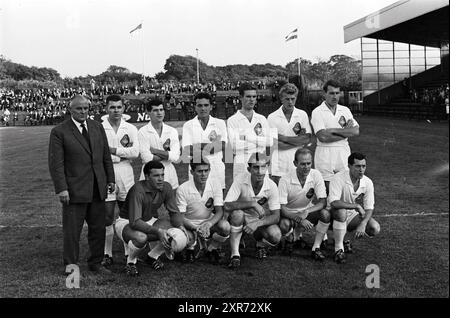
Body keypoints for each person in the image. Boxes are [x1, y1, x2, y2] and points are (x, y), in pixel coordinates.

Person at [48, 95, 115, 275]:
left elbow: (105, 156)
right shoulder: (59, 131)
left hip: (97, 188)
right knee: (72, 232)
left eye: (86, 108)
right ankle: (71, 265)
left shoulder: (97, 127)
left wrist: (110, 179)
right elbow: (56, 164)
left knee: (98, 229)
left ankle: (96, 262)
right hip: (74, 190)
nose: (83, 112)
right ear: (70, 110)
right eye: (79, 108)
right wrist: (62, 188)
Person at [114, 161, 187, 276]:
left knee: (177, 232)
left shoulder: (166, 187)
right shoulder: (137, 190)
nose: (160, 179)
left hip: (148, 219)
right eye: (156, 176)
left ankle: (152, 256)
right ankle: (131, 262)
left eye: (162, 175)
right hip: (126, 222)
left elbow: (174, 212)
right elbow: (135, 222)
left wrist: (180, 226)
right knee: (141, 238)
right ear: (147, 177)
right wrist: (158, 231)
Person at [224, 152, 281, 269]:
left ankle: (259, 243)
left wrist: (257, 223)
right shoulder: (240, 179)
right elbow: (227, 205)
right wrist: (252, 203)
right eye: (256, 167)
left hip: (259, 219)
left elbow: (276, 216)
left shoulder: (272, 185)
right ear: (249, 169)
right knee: (237, 214)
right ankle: (235, 254)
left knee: (276, 236)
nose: (260, 171)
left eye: (263, 167)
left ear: (267, 168)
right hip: (242, 216)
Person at [100, 94, 139, 267]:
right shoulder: (99, 128)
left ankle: (127, 250)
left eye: (119, 107)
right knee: (107, 216)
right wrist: (122, 151)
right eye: (112, 107)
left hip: (126, 171)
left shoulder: (130, 128)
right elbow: (99, 153)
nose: (116, 110)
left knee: (126, 214)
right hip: (106, 172)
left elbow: (135, 153)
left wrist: (112, 150)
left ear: (124, 108)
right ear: (106, 108)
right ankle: (107, 252)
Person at [328, 152, 381, 264]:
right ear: (349, 166)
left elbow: (369, 208)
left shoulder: (368, 182)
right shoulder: (338, 178)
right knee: (342, 212)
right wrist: (356, 205)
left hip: (351, 214)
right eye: (357, 166)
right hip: (331, 213)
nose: (361, 169)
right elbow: (334, 203)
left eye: (363, 166)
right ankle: (338, 249)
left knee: (374, 228)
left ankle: (344, 239)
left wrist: (363, 224)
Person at [278, 148, 330, 260]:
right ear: (295, 163)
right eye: (302, 164)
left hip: (306, 211)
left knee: (325, 214)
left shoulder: (316, 174)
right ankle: (289, 239)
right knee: (284, 225)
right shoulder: (285, 179)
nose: (306, 167)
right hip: (288, 213)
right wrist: (300, 219)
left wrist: (306, 212)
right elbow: (281, 208)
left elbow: (323, 202)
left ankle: (316, 248)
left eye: (308, 163)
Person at [176, 159, 230, 264]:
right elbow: (180, 217)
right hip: (189, 223)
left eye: (206, 171)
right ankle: (191, 246)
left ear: (210, 170)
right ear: (192, 172)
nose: (203, 174)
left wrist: (209, 224)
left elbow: (219, 211)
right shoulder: (182, 189)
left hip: (208, 221)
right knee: (179, 243)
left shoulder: (215, 184)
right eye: (199, 171)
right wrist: (196, 228)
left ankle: (211, 248)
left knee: (225, 227)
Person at [311, 80, 360, 191]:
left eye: (337, 93)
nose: (335, 96)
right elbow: (322, 137)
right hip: (325, 155)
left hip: (343, 153)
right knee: (327, 192)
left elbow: (356, 131)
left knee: (345, 190)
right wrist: (345, 132)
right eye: (331, 93)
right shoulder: (317, 112)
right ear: (324, 94)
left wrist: (331, 130)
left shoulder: (345, 110)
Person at [181, 92, 228, 190]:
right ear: (195, 107)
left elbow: (223, 145)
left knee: (218, 202)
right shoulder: (188, 125)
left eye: (206, 105)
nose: (203, 108)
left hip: (216, 167)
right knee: (196, 202)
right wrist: (212, 146)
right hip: (196, 168)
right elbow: (187, 149)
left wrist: (197, 146)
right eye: (200, 105)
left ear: (211, 106)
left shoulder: (220, 123)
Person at [267, 83, 312, 185]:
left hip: (298, 163)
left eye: (293, 98)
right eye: (287, 99)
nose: (290, 102)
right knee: (279, 198)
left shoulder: (302, 115)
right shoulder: (272, 117)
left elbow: (306, 139)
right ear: (281, 99)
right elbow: (275, 144)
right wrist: (298, 141)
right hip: (278, 165)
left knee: (298, 196)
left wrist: (283, 138)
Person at [227, 83, 273, 178]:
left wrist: (246, 137)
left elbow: (269, 142)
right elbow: (235, 146)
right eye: (248, 96)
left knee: (262, 192)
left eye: (254, 96)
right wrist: (259, 141)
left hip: (260, 162)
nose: (252, 99)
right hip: (241, 164)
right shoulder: (232, 120)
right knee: (243, 191)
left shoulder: (262, 119)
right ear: (241, 97)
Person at [138, 99, 180, 189]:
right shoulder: (142, 132)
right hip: (150, 173)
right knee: (150, 202)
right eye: (155, 110)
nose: (159, 113)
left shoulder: (172, 131)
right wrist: (167, 155)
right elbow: (146, 158)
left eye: (161, 110)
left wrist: (154, 151)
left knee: (170, 202)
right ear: (148, 112)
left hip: (169, 173)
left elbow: (175, 157)